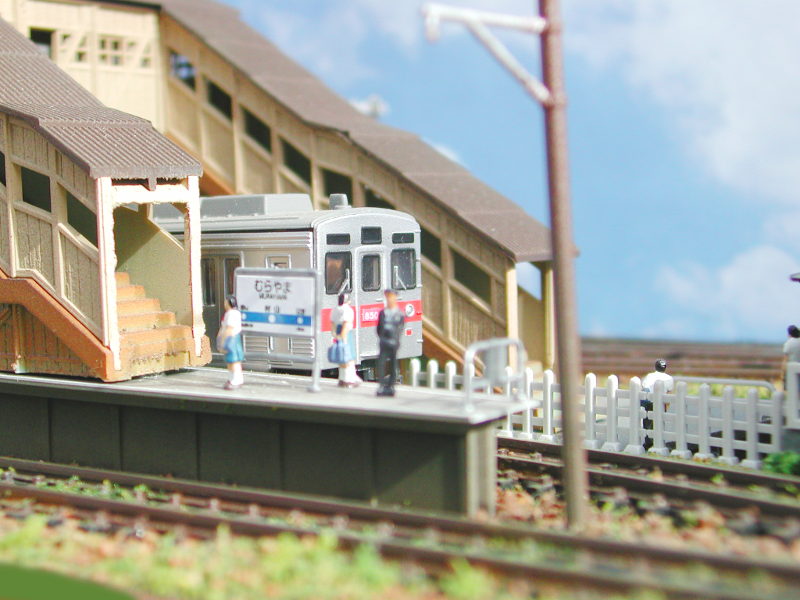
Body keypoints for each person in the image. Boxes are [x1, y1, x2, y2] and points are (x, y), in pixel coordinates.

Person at [376, 289, 404, 397]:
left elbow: (400, 328)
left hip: (393, 342)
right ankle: (382, 385)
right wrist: (382, 337)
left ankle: (391, 386)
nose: (389, 299)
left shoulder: (399, 314)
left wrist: (395, 339)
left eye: (391, 297)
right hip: (384, 342)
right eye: (387, 297)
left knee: (393, 364)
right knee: (381, 363)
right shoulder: (382, 313)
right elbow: (378, 328)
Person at [330, 293, 362, 388]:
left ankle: (342, 378)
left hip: (338, 333)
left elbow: (332, 324)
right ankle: (349, 380)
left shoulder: (335, 309)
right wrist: (343, 338)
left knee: (341, 358)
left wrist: (335, 335)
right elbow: (346, 324)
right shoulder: (347, 310)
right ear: (347, 300)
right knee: (348, 357)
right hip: (346, 335)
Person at [640, 359, 673, 448]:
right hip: (661, 403)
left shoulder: (650, 376)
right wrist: (667, 406)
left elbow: (644, 386)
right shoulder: (669, 378)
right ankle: (659, 441)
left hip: (650, 401)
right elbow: (669, 393)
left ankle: (648, 442)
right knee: (660, 422)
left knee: (648, 422)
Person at [219, 295, 244, 390]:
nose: (224, 304)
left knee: (234, 361)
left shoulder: (232, 314)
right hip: (229, 338)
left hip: (231, 339)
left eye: (226, 302)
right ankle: (232, 379)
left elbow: (229, 329)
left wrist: (223, 340)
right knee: (230, 361)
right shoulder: (229, 313)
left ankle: (237, 380)